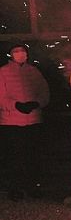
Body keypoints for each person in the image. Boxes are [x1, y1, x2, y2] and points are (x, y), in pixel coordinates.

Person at [0, 43, 50, 200]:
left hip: (33, 120)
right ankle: (16, 188)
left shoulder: (33, 71)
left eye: (22, 51)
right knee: (15, 157)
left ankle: (33, 186)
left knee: (33, 156)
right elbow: (1, 96)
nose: (20, 53)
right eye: (16, 51)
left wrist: (37, 103)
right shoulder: (3, 72)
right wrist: (16, 105)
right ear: (10, 54)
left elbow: (44, 91)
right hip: (10, 122)